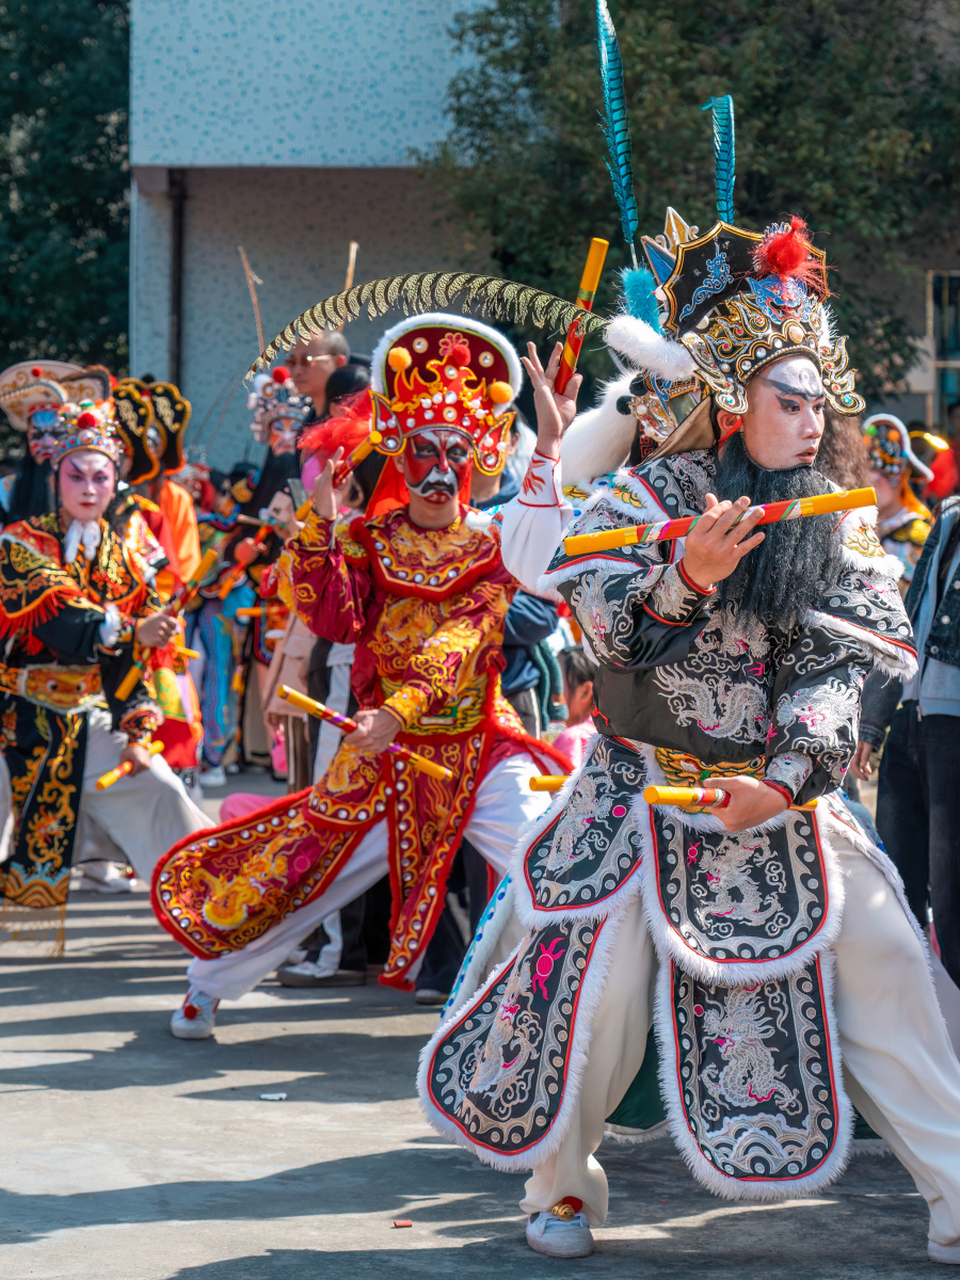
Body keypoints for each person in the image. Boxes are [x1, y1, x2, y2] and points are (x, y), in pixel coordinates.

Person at [418, 214, 960, 1266]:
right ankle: (563, 1183)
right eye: (788, 401)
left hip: (774, 801)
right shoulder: (640, 495)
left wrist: (791, 775)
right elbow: (598, 622)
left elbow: (843, 662)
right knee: (601, 987)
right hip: (640, 797)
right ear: (729, 402)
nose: (811, 423)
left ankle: (956, 1190)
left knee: (891, 961)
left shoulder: (828, 518)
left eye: (819, 402)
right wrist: (685, 581)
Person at [153, 313, 568, 1037]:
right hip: (380, 754)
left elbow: (463, 639)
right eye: (422, 451)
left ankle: (577, 1005)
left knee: (550, 860)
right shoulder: (366, 540)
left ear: (476, 459)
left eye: (455, 452)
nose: (438, 471)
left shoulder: (491, 546)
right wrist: (319, 518)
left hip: (477, 743)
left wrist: (552, 447)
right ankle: (207, 986)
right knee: (309, 870)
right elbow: (329, 615)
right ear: (398, 457)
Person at [0, 399, 210, 944]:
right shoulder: (20, 543)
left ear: (116, 481)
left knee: (163, 787)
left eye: (101, 476)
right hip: (12, 716)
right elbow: (60, 613)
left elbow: (133, 665)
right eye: (77, 475)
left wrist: (140, 731)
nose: (88, 488)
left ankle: (216, 903)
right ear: (56, 475)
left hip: (88, 716)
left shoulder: (130, 558)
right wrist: (126, 629)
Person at [853, 494, 960, 986]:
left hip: (952, 728)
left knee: (953, 903)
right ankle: (917, 1034)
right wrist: (872, 723)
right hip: (911, 721)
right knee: (897, 892)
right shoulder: (949, 516)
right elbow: (908, 623)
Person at [863, 413, 932, 592]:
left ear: (899, 477)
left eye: (882, 477)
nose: (870, 486)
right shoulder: (861, 526)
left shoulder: (918, 532)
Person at [285, 329, 350, 419]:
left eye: (306, 360)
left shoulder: (356, 421)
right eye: (292, 362)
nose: (297, 371)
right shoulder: (309, 420)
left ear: (338, 363)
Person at [551, 645, 598, 768]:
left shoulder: (573, 738)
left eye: (556, 680)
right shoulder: (609, 733)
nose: (550, 689)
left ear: (585, 692)